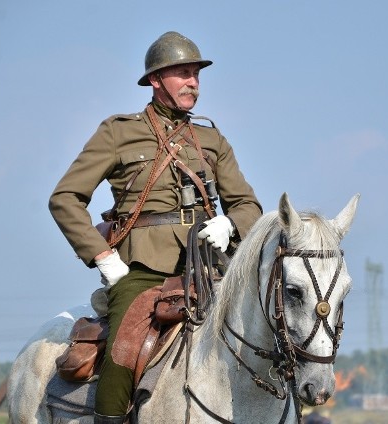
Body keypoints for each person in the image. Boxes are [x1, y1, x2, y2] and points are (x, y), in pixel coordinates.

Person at [48, 31, 262, 423]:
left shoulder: (212, 140)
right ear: (156, 80)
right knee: (124, 347)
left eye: (196, 74)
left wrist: (231, 224)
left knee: (267, 329)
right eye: (183, 73)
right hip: (143, 269)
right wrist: (103, 257)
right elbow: (64, 198)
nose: (193, 82)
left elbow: (249, 204)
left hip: (212, 266)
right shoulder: (118, 132)